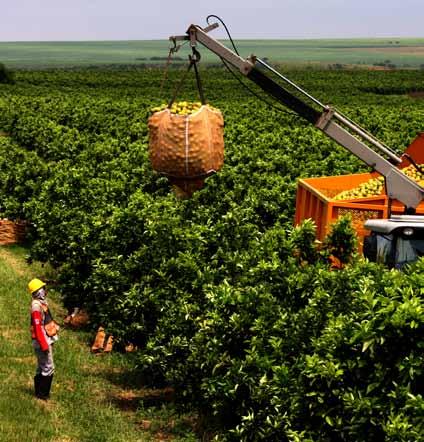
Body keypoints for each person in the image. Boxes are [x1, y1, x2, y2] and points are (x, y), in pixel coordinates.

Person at [28, 278, 59, 400]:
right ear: (39, 291)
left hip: (45, 339)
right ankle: (43, 395)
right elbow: (37, 326)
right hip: (42, 341)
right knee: (48, 367)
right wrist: (44, 344)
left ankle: (38, 393)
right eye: (43, 288)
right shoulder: (36, 306)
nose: (45, 291)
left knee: (42, 366)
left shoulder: (41, 303)